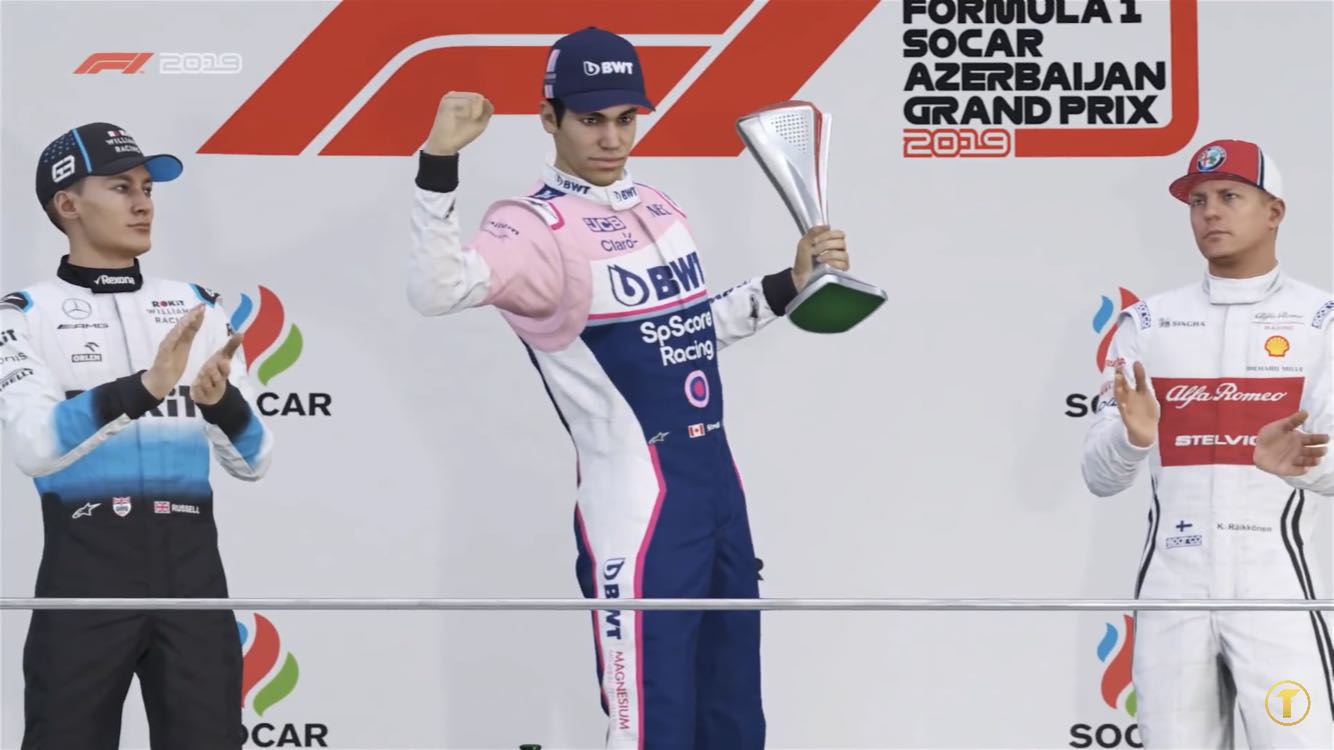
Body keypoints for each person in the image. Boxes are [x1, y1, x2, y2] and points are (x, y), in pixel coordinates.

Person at [405, 26, 851, 749]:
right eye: (590, 120)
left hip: (718, 487)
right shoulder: (531, 227)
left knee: (735, 721)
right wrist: (439, 161)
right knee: (652, 727)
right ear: (549, 118)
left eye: (625, 118)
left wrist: (788, 283)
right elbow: (435, 289)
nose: (611, 138)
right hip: (637, 502)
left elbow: (695, 327)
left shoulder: (659, 207)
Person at [3, 122, 274, 749]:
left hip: (194, 581)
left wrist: (221, 403)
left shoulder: (198, 307)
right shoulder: (23, 315)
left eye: (148, 188)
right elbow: (35, 447)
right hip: (83, 580)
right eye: (121, 187)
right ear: (67, 203)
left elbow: (256, 459)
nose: (143, 203)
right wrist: (143, 389)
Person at [1081, 138, 1332, 748]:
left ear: (1274, 212)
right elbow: (1099, 476)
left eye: (1229, 196)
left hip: (1275, 589)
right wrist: (1134, 440)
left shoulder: (1321, 321)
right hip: (1172, 589)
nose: (1210, 212)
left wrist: (1297, 467)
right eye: (1198, 201)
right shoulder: (1148, 323)